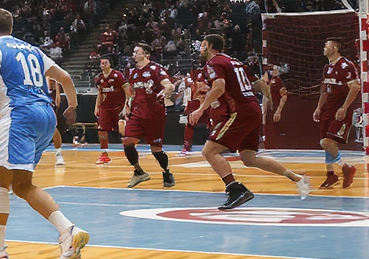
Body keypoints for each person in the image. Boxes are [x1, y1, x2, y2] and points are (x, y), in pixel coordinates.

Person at [0, 8, 89, 259]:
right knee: (20, 184)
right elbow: (65, 78)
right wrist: (72, 107)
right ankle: (68, 231)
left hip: (19, 114)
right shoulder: (32, 49)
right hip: (46, 117)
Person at [192, 33, 311, 209]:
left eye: (203, 45)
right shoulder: (236, 62)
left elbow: (219, 87)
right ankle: (297, 178)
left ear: (209, 46)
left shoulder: (214, 63)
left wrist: (200, 109)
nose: (200, 48)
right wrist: (268, 100)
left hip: (240, 110)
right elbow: (259, 84)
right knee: (249, 158)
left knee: (209, 151)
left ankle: (235, 189)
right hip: (252, 108)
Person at [118, 43, 176, 189]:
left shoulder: (155, 69)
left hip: (154, 114)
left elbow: (169, 85)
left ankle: (166, 172)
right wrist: (126, 106)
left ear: (146, 54)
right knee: (127, 142)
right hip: (137, 112)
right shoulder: (133, 73)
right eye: (134, 52)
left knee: (155, 149)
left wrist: (167, 90)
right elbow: (131, 93)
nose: (134, 54)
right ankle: (138, 171)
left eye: (137, 52)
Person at [314, 37, 359, 189]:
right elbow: (324, 91)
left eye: (326, 45)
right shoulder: (327, 67)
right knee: (327, 144)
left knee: (326, 142)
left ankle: (346, 168)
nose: (324, 48)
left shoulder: (346, 65)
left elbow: (355, 87)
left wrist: (344, 107)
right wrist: (319, 108)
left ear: (335, 48)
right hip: (328, 109)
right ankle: (331, 175)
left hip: (340, 110)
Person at [92, 57, 126, 165]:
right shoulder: (99, 78)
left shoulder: (117, 75)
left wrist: (127, 106)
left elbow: (127, 90)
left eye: (105, 63)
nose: (103, 65)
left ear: (110, 64)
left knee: (123, 129)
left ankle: (130, 149)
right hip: (105, 107)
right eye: (101, 63)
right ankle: (104, 154)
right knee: (102, 130)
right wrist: (96, 107)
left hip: (118, 107)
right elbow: (100, 93)